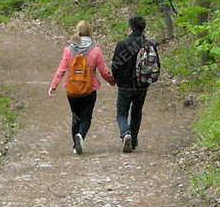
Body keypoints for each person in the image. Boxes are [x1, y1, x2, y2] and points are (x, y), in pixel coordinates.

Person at [48, 20, 115, 154]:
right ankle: (81, 136)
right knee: (86, 117)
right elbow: (103, 71)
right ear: (90, 32)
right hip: (89, 89)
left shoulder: (68, 50)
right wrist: (112, 81)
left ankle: (75, 145)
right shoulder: (95, 50)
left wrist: (53, 86)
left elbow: (61, 69)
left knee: (76, 116)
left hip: (72, 90)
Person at [111, 15, 151, 153]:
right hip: (142, 85)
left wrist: (115, 79)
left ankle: (125, 133)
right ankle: (133, 140)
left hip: (125, 85)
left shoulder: (122, 44)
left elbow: (115, 65)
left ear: (131, 27)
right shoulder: (148, 44)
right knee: (137, 112)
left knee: (121, 113)